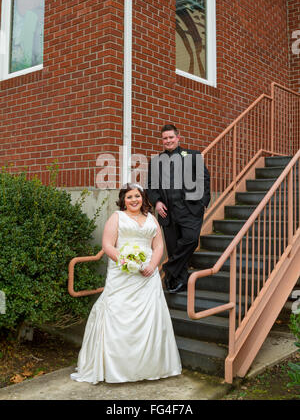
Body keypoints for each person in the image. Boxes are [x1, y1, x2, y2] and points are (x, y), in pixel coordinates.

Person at [70, 183, 182, 384]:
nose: (134, 200)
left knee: (150, 318)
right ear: (123, 200)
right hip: (122, 273)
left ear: (143, 198)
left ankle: (148, 366)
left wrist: (152, 265)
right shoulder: (117, 217)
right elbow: (107, 245)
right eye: (129, 197)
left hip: (148, 275)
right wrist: (128, 263)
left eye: (137, 196)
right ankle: (116, 368)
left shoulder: (151, 219)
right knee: (119, 314)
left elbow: (158, 246)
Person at [147, 124, 210, 294]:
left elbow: (204, 180)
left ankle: (168, 268)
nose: (168, 141)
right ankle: (178, 282)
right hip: (167, 212)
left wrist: (203, 202)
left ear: (178, 137)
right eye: (165, 138)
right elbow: (151, 187)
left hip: (190, 210)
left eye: (171, 137)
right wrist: (157, 202)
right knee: (174, 248)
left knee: (191, 239)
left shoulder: (192, 156)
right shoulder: (155, 161)